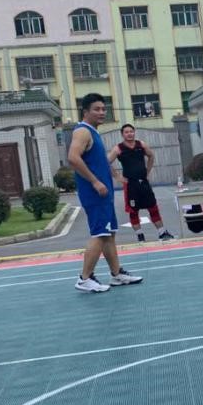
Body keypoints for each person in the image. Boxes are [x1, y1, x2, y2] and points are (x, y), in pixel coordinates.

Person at [67, 95, 143, 293]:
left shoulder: (93, 132)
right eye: (97, 109)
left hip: (104, 193)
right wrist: (94, 181)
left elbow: (99, 161)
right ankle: (84, 278)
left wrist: (115, 176)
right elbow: (73, 158)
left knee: (109, 234)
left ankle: (116, 274)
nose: (102, 112)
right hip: (94, 193)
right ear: (85, 111)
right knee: (100, 234)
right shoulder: (83, 131)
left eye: (103, 108)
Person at [109, 124, 173, 243]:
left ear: (134, 132)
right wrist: (118, 177)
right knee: (133, 211)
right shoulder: (118, 148)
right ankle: (140, 236)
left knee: (153, 207)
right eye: (126, 132)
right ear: (122, 134)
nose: (129, 134)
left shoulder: (141, 144)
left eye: (131, 131)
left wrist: (147, 171)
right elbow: (106, 162)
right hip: (130, 185)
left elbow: (151, 156)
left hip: (143, 182)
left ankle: (162, 233)